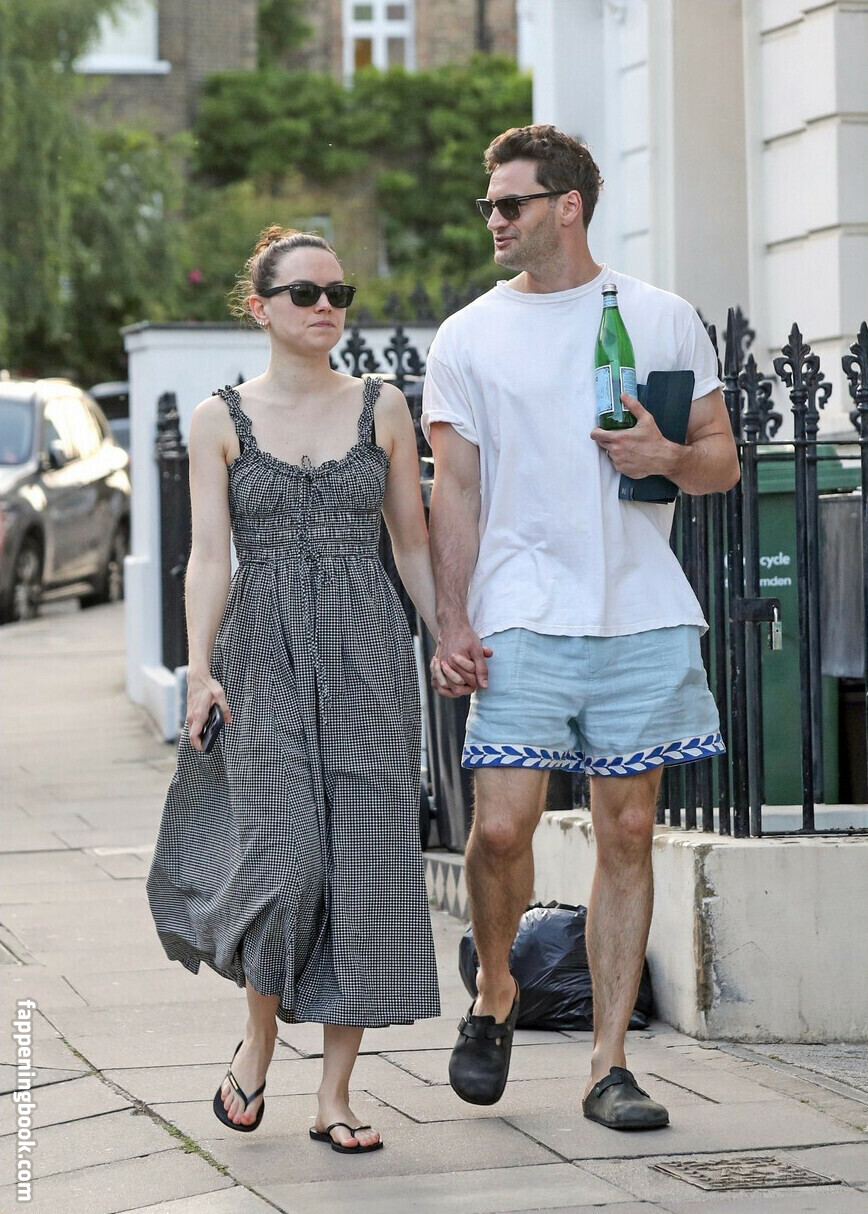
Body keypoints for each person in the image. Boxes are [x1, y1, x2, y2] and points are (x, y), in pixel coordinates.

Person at [422, 125, 739, 1130]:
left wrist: (666, 454)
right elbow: (455, 490)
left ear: (566, 206)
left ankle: (609, 1064)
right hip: (520, 611)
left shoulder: (659, 317)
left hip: (638, 610)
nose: (493, 219)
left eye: (508, 203)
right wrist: (452, 617)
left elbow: (721, 459)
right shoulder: (468, 335)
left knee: (629, 830)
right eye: (487, 203)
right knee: (499, 827)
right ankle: (496, 989)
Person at [147, 226, 441, 1152]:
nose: (326, 308)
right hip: (261, 653)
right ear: (260, 308)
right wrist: (201, 670)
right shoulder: (217, 419)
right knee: (287, 865)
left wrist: (449, 635)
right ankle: (260, 1037)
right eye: (306, 293)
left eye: (338, 293)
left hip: (368, 655)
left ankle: (337, 1095)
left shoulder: (384, 405)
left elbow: (412, 542)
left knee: (365, 869)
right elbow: (207, 557)